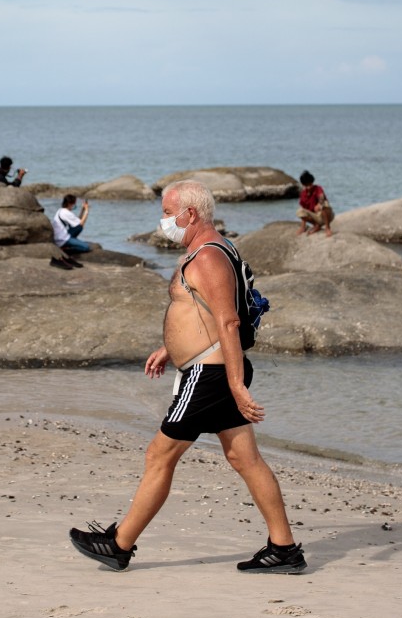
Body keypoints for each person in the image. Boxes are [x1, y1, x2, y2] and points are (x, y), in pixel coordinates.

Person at [68, 180, 306, 574]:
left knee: (159, 455)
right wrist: (171, 348)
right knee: (244, 458)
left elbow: (228, 322)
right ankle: (284, 548)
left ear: (190, 214)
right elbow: (206, 313)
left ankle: (119, 544)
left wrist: (234, 384)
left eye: (166, 212)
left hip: (210, 377)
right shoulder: (210, 249)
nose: (163, 220)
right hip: (211, 368)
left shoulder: (208, 257)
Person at [295, 170, 333, 236]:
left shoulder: (317, 188)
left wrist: (319, 204)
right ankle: (316, 225)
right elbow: (304, 210)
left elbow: (321, 197)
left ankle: (327, 228)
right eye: (307, 185)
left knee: (324, 204)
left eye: (310, 184)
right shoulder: (303, 194)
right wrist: (302, 227)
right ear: (303, 185)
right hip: (316, 218)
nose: (309, 187)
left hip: (325, 215)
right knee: (299, 211)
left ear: (312, 182)